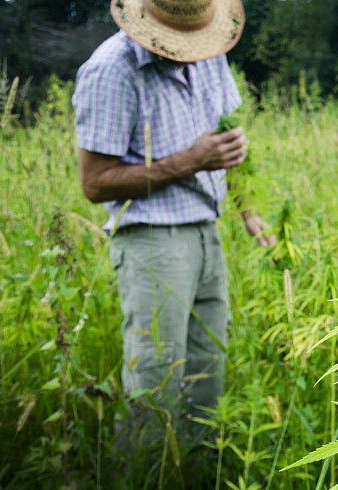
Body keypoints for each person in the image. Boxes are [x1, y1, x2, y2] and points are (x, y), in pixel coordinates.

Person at [72, 0, 273, 446]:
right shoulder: (112, 70)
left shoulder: (209, 51)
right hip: (151, 242)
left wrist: (248, 211)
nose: (192, 49)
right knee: (156, 382)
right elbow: (94, 183)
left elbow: (227, 142)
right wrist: (189, 161)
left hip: (207, 231)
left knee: (208, 374)